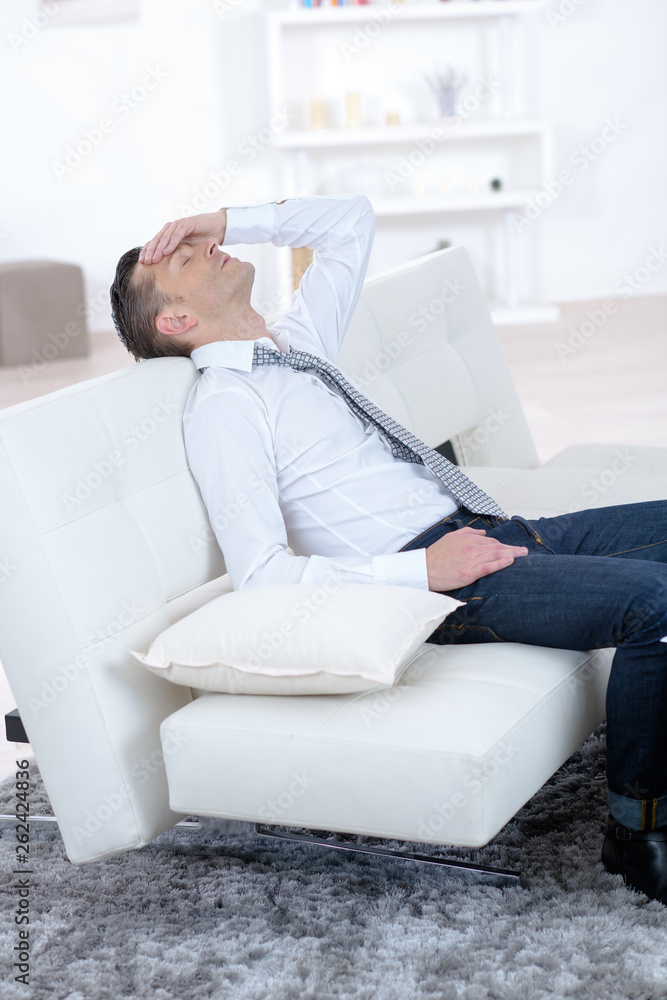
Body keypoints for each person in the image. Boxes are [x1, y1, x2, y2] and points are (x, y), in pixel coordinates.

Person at [110, 193, 667, 904]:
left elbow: (348, 220)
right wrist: (420, 571)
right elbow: (261, 575)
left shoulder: (295, 342)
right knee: (652, 603)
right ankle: (635, 831)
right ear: (178, 321)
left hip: (491, 528)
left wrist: (221, 220)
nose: (202, 249)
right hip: (446, 582)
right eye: (184, 260)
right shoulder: (227, 406)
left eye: (197, 243)